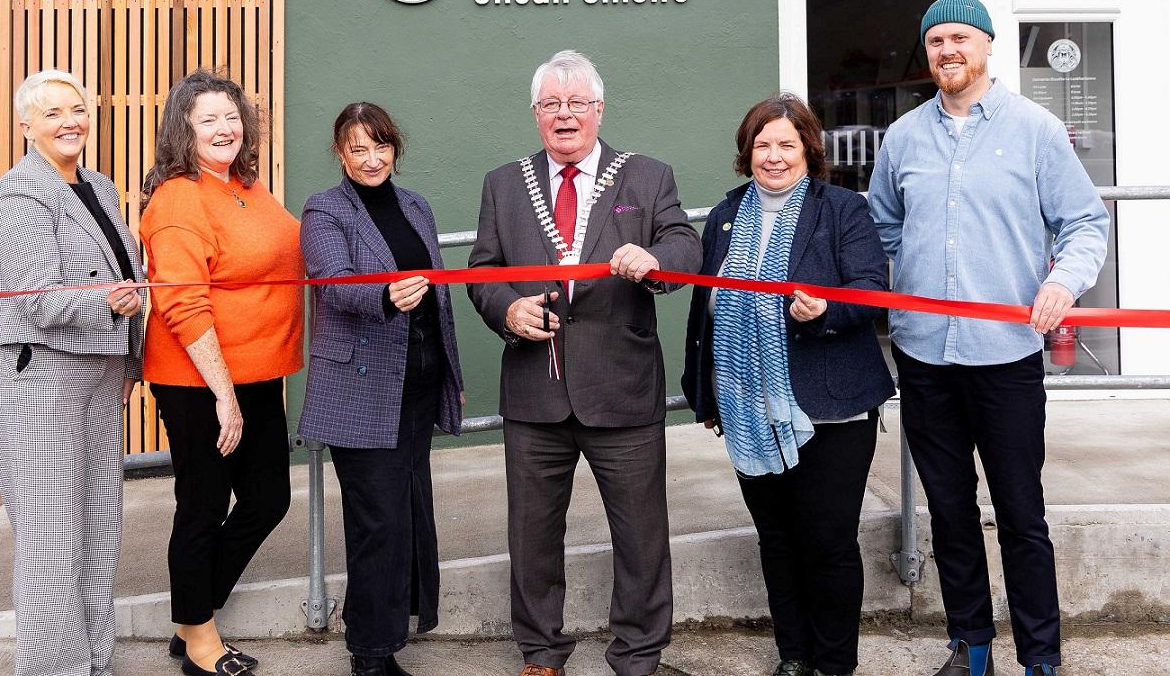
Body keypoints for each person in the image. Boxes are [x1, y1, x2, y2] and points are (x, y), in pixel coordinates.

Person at [868, 0, 1109, 676]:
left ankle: (1040, 657)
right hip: (923, 356)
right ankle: (970, 649)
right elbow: (885, 224)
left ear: (988, 45)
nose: (947, 51)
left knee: (1021, 515)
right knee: (949, 511)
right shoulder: (905, 137)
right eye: (936, 40)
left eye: (960, 38)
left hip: (1004, 359)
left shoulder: (1035, 129)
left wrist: (1062, 282)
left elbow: (1086, 223)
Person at [467, 50, 702, 676]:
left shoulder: (647, 177)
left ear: (599, 110)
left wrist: (655, 261)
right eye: (551, 104)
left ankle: (638, 654)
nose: (564, 114)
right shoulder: (503, 182)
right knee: (533, 538)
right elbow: (482, 271)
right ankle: (542, 652)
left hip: (622, 389)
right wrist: (507, 311)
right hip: (534, 392)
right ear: (536, 114)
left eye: (576, 103)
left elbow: (685, 242)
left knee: (641, 536)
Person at [680, 93, 894, 676]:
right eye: (762, 145)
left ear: (809, 150)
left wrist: (824, 311)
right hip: (749, 408)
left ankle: (832, 664)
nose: (773, 156)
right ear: (747, 153)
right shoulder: (725, 215)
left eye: (786, 145)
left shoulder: (842, 208)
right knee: (776, 542)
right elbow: (707, 310)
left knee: (827, 542)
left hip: (832, 409)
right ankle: (793, 657)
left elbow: (871, 289)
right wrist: (706, 394)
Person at [0, 68, 145, 676]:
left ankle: (92, 664)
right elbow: (37, 299)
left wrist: (129, 360)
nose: (70, 121)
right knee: (51, 545)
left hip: (98, 382)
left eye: (77, 110)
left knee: (98, 536)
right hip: (39, 381)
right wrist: (107, 302)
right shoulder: (20, 194)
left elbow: (128, 271)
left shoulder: (98, 186)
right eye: (52, 113)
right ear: (25, 126)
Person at [140, 69, 303, 676]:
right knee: (203, 504)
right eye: (207, 119)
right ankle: (200, 640)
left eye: (231, 116)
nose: (224, 127)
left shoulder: (243, 188)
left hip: (257, 375)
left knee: (268, 498)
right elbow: (183, 301)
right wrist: (223, 395)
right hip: (199, 382)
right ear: (183, 129)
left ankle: (192, 611)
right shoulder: (180, 197)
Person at [297, 103, 465, 676]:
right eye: (358, 149)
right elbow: (332, 283)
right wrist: (384, 296)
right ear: (339, 154)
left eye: (381, 147)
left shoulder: (415, 204)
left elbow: (438, 295)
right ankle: (370, 654)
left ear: (395, 148)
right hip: (359, 389)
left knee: (411, 507)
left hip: (415, 385)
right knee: (378, 521)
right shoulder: (325, 209)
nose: (372, 160)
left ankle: (397, 626)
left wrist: (449, 376)